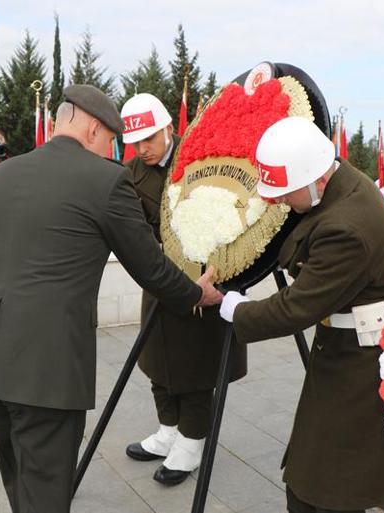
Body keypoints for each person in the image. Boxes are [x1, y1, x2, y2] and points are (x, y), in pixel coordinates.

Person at [0, 84, 223, 513]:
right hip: (45, 369)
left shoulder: (1, 174)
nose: (114, 149)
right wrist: (198, 293)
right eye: (113, 139)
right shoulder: (107, 180)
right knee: (45, 489)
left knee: (18, 475)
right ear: (95, 129)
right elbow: (149, 266)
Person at [219, 117, 384, 513]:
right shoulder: (338, 186)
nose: (281, 202)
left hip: (360, 363)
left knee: (328, 486)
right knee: (319, 471)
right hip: (344, 348)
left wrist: (234, 308)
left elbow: (296, 307)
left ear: (317, 179)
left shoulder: (347, 228)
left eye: (287, 194)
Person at [120, 93, 247, 486]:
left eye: (150, 139)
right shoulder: (130, 175)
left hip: (203, 281)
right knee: (157, 362)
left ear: (169, 130)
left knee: (194, 368)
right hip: (160, 281)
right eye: (136, 141)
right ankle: (168, 431)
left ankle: (191, 444)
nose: (143, 149)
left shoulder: (199, 161)